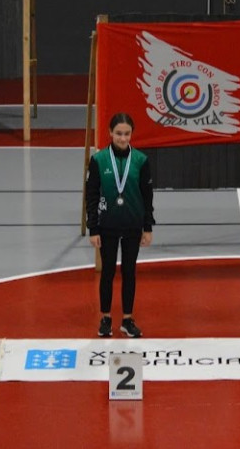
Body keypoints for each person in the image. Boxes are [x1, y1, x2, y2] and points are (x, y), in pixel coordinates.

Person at [85, 113, 155, 338]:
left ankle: (127, 319)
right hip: (107, 226)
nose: (122, 138)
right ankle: (105, 318)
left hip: (133, 225)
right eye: (118, 134)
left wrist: (147, 227)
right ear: (110, 133)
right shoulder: (99, 160)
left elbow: (147, 196)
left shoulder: (141, 161)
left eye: (126, 134)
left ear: (131, 134)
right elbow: (92, 196)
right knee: (107, 272)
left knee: (129, 272)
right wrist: (93, 228)